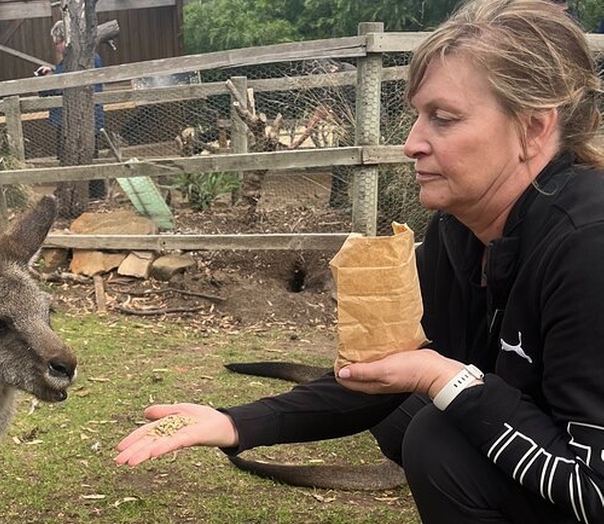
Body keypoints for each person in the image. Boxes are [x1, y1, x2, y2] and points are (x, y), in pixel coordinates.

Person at [115, 1, 604, 523]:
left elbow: (594, 488)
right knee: (409, 418)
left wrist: (446, 378)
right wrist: (235, 424)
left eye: (443, 118)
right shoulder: (460, 233)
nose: (411, 143)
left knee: (440, 435)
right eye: (418, 116)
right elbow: (384, 373)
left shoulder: (587, 246)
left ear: (533, 128)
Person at [36, 20, 106, 198]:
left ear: (65, 40)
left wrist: (48, 81)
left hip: (79, 117)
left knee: (85, 156)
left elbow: (64, 84)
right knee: (76, 155)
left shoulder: (80, 59)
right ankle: (79, 192)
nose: (57, 47)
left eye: (58, 42)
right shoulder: (76, 59)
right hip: (77, 116)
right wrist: (52, 73)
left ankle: (93, 195)